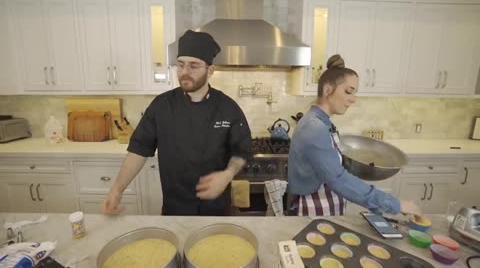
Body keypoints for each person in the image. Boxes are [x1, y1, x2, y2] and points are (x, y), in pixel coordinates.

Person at [102, 30, 252, 216]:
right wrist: (117, 189)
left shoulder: (228, 108)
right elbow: (138, 150)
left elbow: (241, 152)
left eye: (193, 66)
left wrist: (227, 174)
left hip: (216, 211)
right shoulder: (161, 106)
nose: (184, 72)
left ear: (211, 70)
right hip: (175, 210)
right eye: (180, 65)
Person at [288, 54, 422, 217]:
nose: (353, 99)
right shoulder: (314, 127)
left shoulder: (322, 122)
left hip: (328, 202)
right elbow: (337, 179)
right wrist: (394, 204)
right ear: (327, 89)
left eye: (354, 93)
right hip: (316, 207)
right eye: (348, 91)